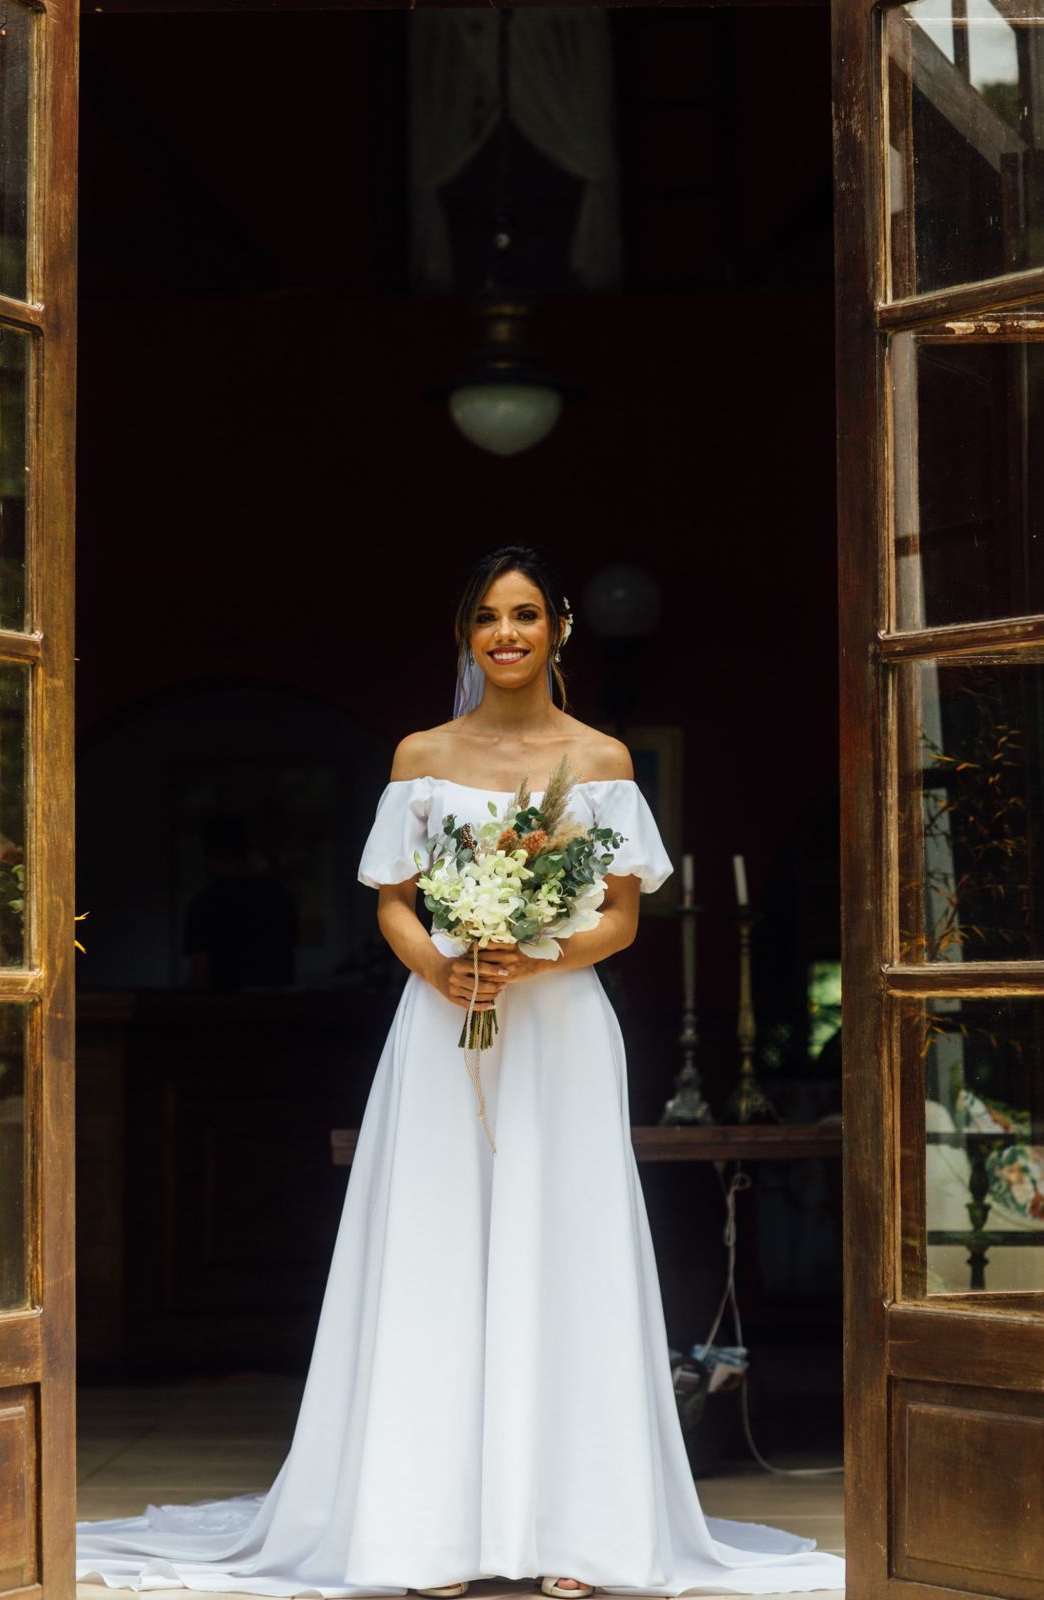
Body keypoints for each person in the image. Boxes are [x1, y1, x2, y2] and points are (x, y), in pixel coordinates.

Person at [77, 546, 845, 1597]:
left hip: (561, 1030)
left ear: (560, 626)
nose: (506, 633)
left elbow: (620, 918)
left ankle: (584, 1532)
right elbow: (390, 895)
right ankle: (422, 1528)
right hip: (441, 1027)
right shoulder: (420, 754)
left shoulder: (605, 762)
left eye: (525, 613)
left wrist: (530, 951)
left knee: (563, 1246)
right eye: (486, 616)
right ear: (463, 635)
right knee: (437, 1248)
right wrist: (440, 961)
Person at [183, 814, 298, 991]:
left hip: (225, 1012)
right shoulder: (277, 897)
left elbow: (200, 974)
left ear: (208, 856)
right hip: (278, 1009)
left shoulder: (206, 904)